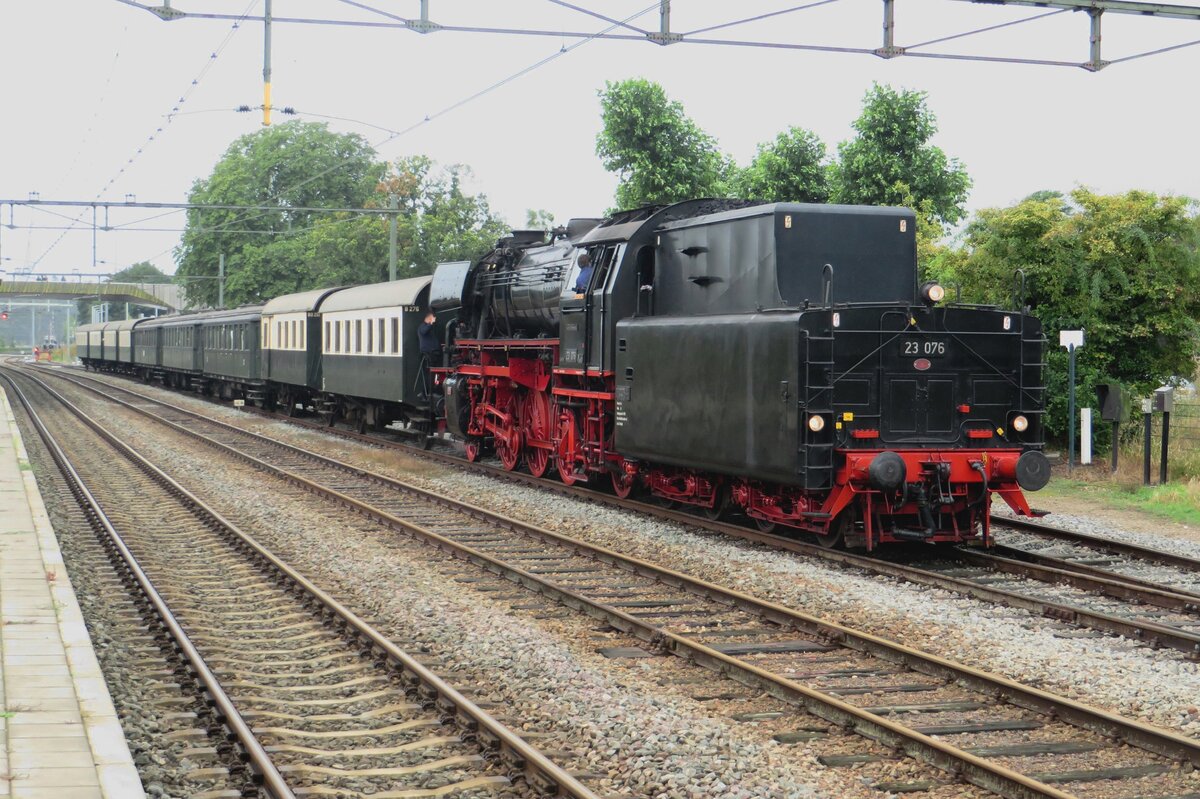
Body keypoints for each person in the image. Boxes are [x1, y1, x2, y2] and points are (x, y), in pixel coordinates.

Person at [417, 312, 440, 401]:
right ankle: (425, 393)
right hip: (427, 355)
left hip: (433, 354)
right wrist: (431, 323)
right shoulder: (422, 327)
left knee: (433, 375)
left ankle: (431, 392)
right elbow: (424, 331)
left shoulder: (430, 329)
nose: (434, 320)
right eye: (432, 318)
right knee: (428, 375)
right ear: (429, 318)